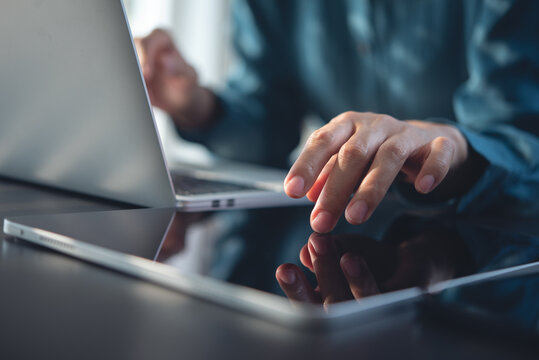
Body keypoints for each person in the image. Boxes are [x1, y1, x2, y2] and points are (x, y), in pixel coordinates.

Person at [136, 0, 539, 293]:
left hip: (484, 272)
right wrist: (196, 107)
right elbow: (267, 119)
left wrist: (452, 144)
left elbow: (521, 134)